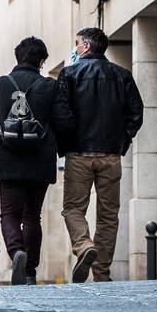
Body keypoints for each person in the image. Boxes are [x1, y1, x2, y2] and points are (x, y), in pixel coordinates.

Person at [0, 35, 74, 285]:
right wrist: (56, 149)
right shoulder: (51, 87)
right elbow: (64, 123)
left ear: (17, 57)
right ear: (42, 61)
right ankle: (30, 270)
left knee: (9, 212)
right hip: (39, 160)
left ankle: (16, 251)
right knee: (32, 215)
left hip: (6, 159)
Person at [56, 27, 144, 283]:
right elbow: (136, 114)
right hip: (110, 156)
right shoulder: (122, 75)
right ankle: (102, 273)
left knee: (73, 209)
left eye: (76, 43)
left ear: (85, 46)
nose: (75, 48)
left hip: (79, 154)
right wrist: (122, 141)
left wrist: (67, 143)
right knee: (108, 215)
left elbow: (61, 114)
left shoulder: (69, 74)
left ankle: (84, 246)